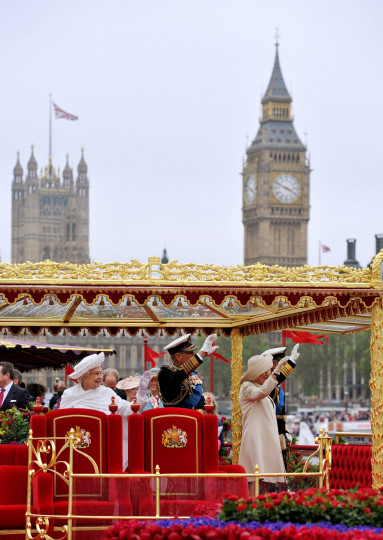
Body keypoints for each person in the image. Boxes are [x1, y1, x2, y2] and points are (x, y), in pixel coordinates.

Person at [60, 352, 151, 469]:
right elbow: (61, 422)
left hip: (104, 447)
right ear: (84, 377)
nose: (100, 377)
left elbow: (128, 410)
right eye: (96, 373)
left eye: (101, 373)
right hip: (78, 447)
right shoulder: (69, 394)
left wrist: (141, 393)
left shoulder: (106, 392)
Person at [238, 353, 287, 494]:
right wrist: (276, 371)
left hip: (266, 438)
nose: (267, 373)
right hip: (255, 438)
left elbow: (267, 389)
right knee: (256, 476)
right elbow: (261, 393)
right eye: (264, 370)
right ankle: (253, 508)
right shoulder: (246, 386)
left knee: (267, 478)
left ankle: (263, 507)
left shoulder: (258, 385)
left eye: (268, 370)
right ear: (256, 371)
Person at [262, 344, 300, 466]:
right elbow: (280, 377)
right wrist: (292, 361)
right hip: (270, 430)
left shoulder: (274, 383)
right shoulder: (269, 382)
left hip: (278, 429)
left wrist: (284, 431)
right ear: (273, 364)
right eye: (280, 362)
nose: (283, 365)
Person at [158, 333, 218, 409]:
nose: (194, 354)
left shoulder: (192, 374)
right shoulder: (165, 374)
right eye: (190, 352)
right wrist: (200, 355)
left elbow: (198, 401)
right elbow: (178, 377)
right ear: (178, 356)